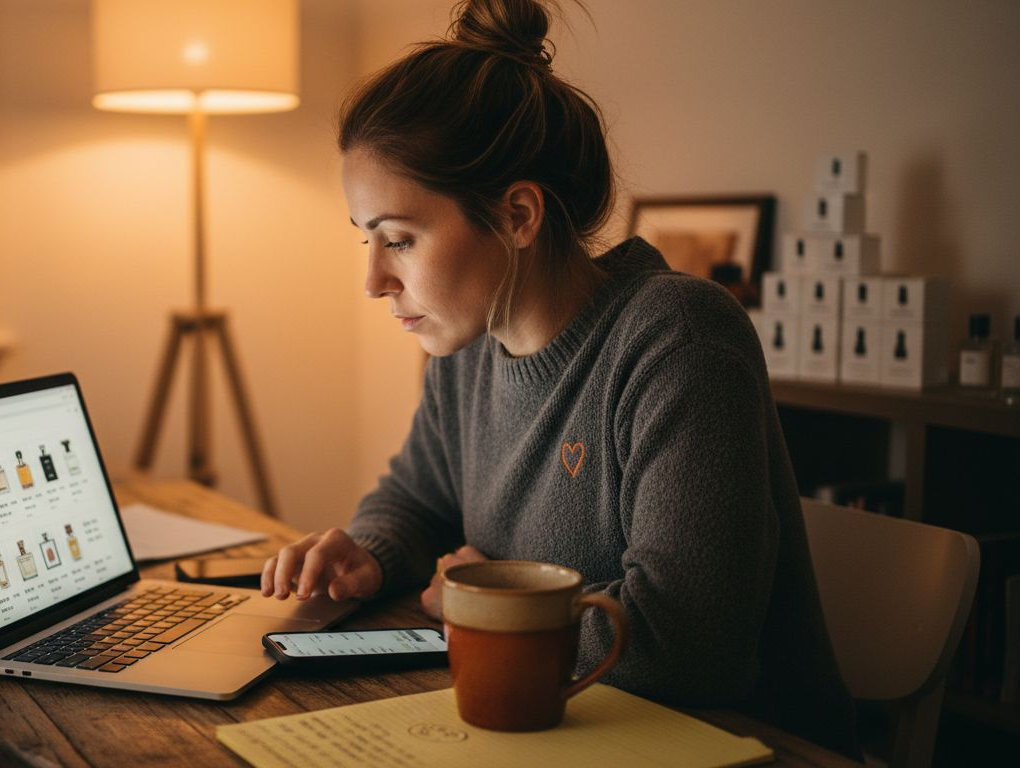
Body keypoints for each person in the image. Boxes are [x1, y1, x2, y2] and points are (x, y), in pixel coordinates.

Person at [260, 0, 859, 758]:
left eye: (400, 240)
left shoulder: (678, 338)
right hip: (558, 729)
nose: (375, 280)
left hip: (735, 745)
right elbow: (418, 498)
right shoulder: (463, 352)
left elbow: (688, 644)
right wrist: (370, 551)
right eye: (367, 241)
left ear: (517, 215)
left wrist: (486, 603)